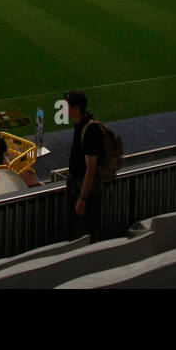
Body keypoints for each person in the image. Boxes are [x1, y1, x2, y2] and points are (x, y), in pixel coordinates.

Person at [64, 90, 105, 241]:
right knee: (75, 230)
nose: (63, 108)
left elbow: (91, 169)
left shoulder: (90, 130)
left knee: (85, 233)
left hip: (85, 190)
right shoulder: (80, 124)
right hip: (76, 185)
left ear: (76, 109)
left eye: (66, 105)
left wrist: (82, 198)